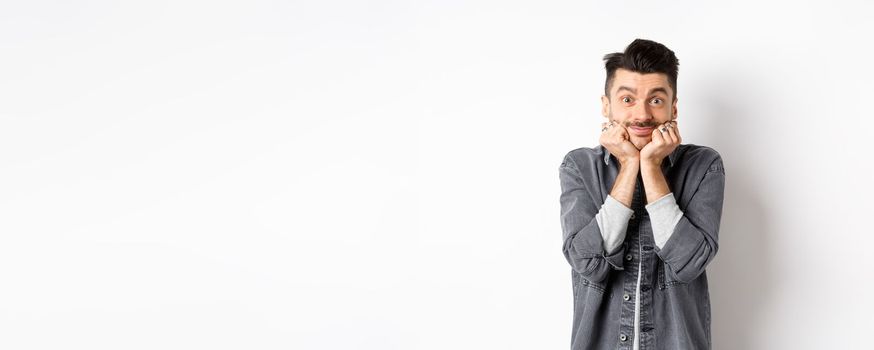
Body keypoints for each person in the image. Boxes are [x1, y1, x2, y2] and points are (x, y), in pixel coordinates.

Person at [558, 38, 726, 349]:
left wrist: (649, 165)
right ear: (606, 106)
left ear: (673, 109)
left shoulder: (704, 165)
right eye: (627, 100)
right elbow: (587, 262)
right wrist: (628, 165)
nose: (642, 114)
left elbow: (689, 262)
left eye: (656, 100)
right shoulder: (579, 166)